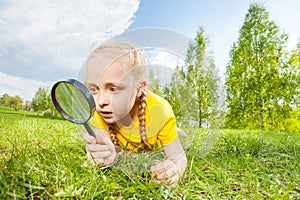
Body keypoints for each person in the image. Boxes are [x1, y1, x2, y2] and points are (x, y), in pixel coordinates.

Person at [82, 40, 187, 187]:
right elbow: (112, 151)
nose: (100, 101)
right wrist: (102, 154)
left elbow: (178, 156)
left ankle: (176, 131)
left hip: (154, 138)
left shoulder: (160, 111)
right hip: (131, 143)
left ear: (139, 88)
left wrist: (175, 168)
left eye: (113, 89)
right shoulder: (97, 112)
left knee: (174, 136)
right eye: (94, 89)